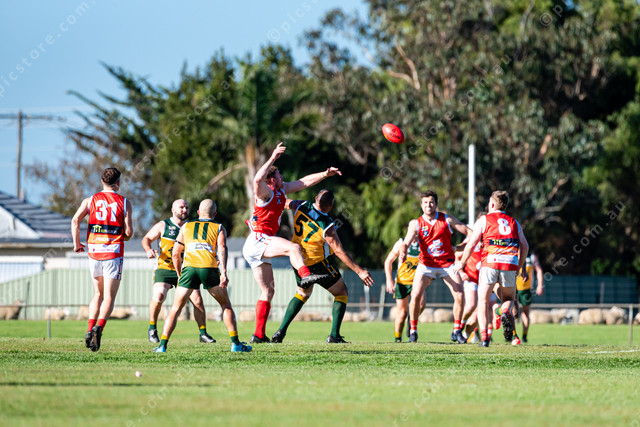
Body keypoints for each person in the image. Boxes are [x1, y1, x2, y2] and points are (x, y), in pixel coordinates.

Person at [242, 142, 341, 343]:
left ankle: (258, 335)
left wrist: (325, 174)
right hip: (259, 239)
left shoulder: (281, 190)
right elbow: (257, 179)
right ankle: (306, 276)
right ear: (272, 179)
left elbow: (303, 183)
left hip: (258, 244)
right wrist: (272, 158)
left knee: (268, 291)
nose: (282, 177)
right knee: (293, 247)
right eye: (279, 175)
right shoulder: (264, 193)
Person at [270, 190, 374, 344]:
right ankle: (334, 336)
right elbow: (338, 251)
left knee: (302, 294)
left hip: (299, 261)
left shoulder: (302, 205)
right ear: (330, 205)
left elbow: (285, 203)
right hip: (319, 263)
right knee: (342, 292)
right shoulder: (327, 224)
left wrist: (269, 200)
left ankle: (280, 332)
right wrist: (359, 271)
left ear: (315, 198)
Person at [153, 199, 251, 353]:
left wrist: (180, 274)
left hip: (189, 269)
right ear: (215, 214)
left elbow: (176, 253)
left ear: (198, 212)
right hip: (209, 268)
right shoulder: (219, 227)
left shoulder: (186, 226)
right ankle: (235, 344)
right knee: (225, 305)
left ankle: (162, 346)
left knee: (175, 308)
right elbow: (222, 248)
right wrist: (224, 273)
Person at [454, 191, 529, 347]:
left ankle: (484, 338)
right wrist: (520, 267)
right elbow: (525, 246)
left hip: (490, 263)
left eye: (489, 202)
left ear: (492, 204)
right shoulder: (514, 222)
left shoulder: (484, 220)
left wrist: (461, 263)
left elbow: (471, 244)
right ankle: (505, 311)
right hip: (509, 263)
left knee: (483, 301)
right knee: (508, 299)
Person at [71, 167, 133, 352]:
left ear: (101, 181)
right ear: (118, 183)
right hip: (113, 253)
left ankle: (89, 329)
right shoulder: (124, 202)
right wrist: (121, 235)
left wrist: (76, 244)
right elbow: (129, 233)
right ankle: (99, 328)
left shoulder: (90, 200)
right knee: (109, 297)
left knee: (97, 294)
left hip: (94, 252)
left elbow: (75, 221)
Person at [398, 190, 471, 344]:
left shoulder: (447, 219)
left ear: (436, 204)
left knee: (460, 295)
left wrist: (458, 248)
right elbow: (406, 241)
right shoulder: (416, 223)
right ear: (421, 205)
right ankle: (413, 331)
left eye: (431, 202)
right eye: (425, 202)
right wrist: (403, 251)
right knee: (415, 296)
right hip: (426, 265)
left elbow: (470, 234)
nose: (428, 205)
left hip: (447, 264)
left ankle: (457, 331)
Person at [141, 199, 215, 344]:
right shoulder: (163, 225)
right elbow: (147, 238)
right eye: (181, 207)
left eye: (186, 207)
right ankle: (152, 328)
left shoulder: (191, 226)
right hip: (165, 268)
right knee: (159, 295)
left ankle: (203, 333)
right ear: (173, 209)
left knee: (197, 300)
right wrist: (148, 249)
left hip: (185, 269)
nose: (184, 210)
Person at [384, 225, 424, 342]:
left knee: (422, 304)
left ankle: (412, 320)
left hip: (417, 281)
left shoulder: (424, 243)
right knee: (402, 313)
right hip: (402, 281)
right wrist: (389, 279)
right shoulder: (401, 243)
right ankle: (398, 338)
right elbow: (388, 261)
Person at [515, 251, 544, 343]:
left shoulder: (532, 257)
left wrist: (540, 285)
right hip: (513, 287)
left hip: (526, 289)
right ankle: (512, 335)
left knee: (525, 312)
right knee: (513, 312)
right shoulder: (513, 251)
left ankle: (524, 336)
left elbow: (539, 270)